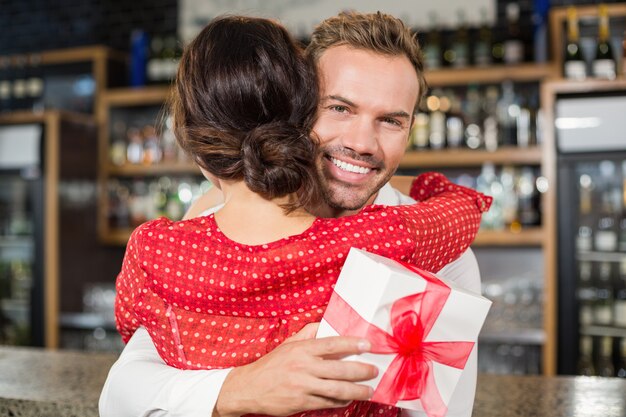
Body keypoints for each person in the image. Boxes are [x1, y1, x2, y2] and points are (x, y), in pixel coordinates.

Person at [100, 12, 488, 417]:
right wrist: (240, 388)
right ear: (294, 108)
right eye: (339, 108)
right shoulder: (208, 219)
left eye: (391, 121)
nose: (362, 142)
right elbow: (121, 395)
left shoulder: (447, 261)